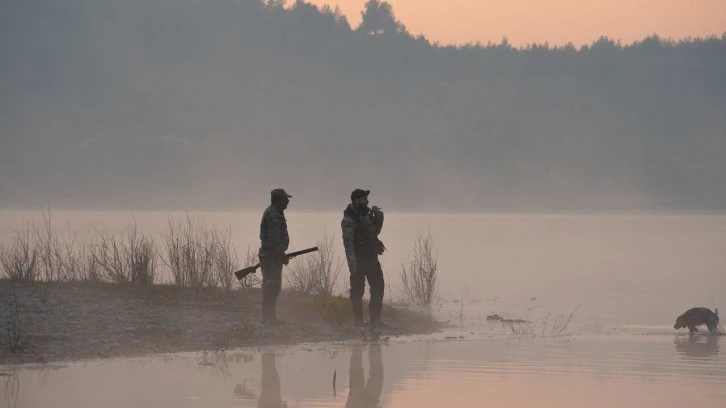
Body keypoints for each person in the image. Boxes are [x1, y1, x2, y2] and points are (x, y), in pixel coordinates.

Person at [341, 188, 387, 328]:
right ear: (356, 201)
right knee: (357, 291)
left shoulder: (366, 214)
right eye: (364, 199)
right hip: (358, 259)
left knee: (378, 286)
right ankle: (359, 320)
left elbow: (375, 231)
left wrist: (379, 215)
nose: (367, 201)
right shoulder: (349, 219)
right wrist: (352, 264)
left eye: (366, 198)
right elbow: (348, 243)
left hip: (371, 258)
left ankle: (375, 319)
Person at [259, 188, 292, 326]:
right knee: (271, 288)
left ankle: (270, 318)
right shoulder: (273, 214)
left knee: (272, 288)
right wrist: (282, 255)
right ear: (279, 200)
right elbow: (274, 240)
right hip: (271, 256)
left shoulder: (276, 212)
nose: (288, 201)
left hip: (272, 256)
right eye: (285, 199)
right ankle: (268, 319)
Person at [346, 343, 384, 408]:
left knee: (376, 373)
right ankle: (373, 341)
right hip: (361, 401)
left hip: (357, 402)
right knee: (375, 373)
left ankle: (370, 342)